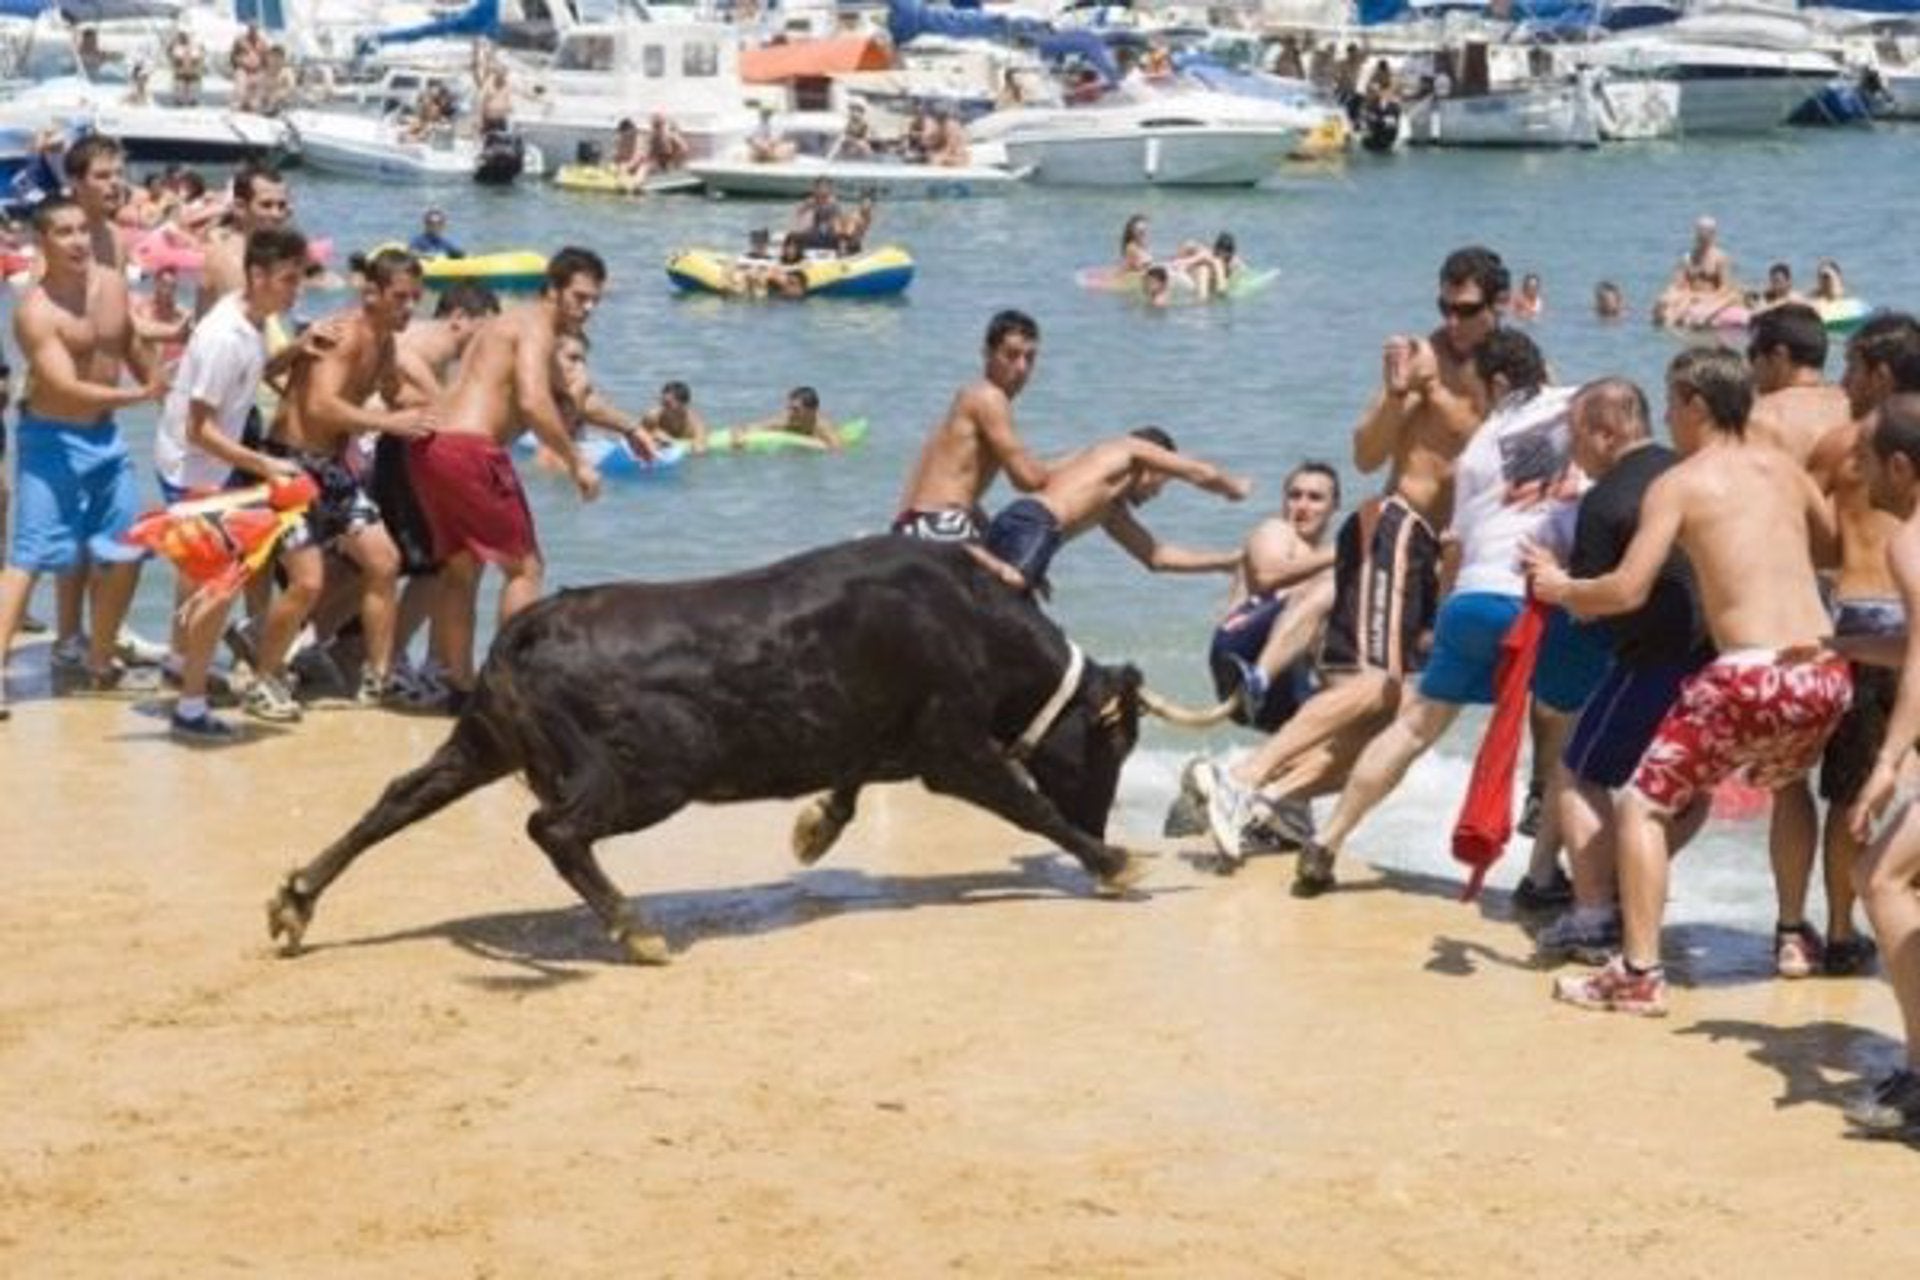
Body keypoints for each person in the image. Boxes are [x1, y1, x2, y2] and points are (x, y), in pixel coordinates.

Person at [1217, 330, 1604, 893]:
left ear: (1497, 384)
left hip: (1471, 596)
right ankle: (1543, 873)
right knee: (1565, 734)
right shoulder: (1582, 405)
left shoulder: (1476, 450)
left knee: (1414, 727)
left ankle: (1328, 841)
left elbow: (1457, 543)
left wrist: (1441, 615)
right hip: (1537, 599)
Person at [1529, 347, 1850, 1017]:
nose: (1668, 417)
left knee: (1643, 807)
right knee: (1789, 786)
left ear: (1698, 405)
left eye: (1673, 405)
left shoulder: (1679, 482)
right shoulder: (1786, 471)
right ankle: (1793, 936)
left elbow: (1624, 590)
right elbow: (1834, 550)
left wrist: (1561, 586)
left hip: (1748, 674)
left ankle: (1639, 973)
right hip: (1821, 669)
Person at [1200, 247, 1509, 851]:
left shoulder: (1517, 371)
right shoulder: (1421, 358)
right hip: (1396, 528)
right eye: (1443, 306)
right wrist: (1397, 398)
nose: (1450, 321)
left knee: (1396, 713)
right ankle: (1241, 776)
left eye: (1464, 309)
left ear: (1498, 306)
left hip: (1449, 564)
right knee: (1373, 685)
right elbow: (1366, 456)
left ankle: (1276, 799)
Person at [1533, 379, 1714, 964]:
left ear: (1605, 432)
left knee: (1579, 772)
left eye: (1575, 434)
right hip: (1715, 657)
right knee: (1681, 794)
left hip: (1651, 659)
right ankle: (1634, 885)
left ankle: (1593, 916)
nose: (1570, 448)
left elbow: (1592, 609)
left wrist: (1554, 581)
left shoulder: (1606, 499)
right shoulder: (1689, 470)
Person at [405, 247, 605, 699]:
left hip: (431, 449)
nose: (588, 308)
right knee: (525, 569)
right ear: (551, 290)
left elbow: (573, 400)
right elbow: (536, 402)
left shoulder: (509, 324)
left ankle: (459, 686)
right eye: (579, 297)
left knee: (462, 570)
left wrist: (631, 428)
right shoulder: (535, 325)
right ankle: (509, 689)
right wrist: (576, 462)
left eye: (595, 301)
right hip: (471, 451)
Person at [244, 248, 430, 723]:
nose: (410, 308)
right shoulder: (342, 335)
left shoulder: (385, 341)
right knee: (308, 582)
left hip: (333, 470)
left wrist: (443, 409)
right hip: (290, 466)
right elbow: (324, 407)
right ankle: (263, 679)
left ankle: (379, 676)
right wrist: (390, 422)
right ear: (372, 293)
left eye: (416, 298)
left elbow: (391, 391)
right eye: (401, 298)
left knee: (384, 561)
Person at [1787, 312, 1920, 977]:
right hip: (1897, 627)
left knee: (1849, 791)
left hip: (1867, 615)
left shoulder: (1851, 441)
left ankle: (1840, 933)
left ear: (1882, 373)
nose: (1843, 381)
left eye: (1853, 368)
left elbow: (1807, 532)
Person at [0, 199, 167, 720]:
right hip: (50, 441)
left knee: (126, 550)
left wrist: (163, 389)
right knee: (28, 558)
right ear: (42, 241)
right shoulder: (35, 311)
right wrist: (138, 399)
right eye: (63, 232)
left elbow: (129, 345)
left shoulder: (114, 284)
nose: (76, 240)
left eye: (81, 230)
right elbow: (65, 385)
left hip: (105, 440)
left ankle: (99, 659)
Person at [151, 227, 314, 738]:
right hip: (191, 472)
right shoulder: (225, 334)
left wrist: (297, 351)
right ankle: (191, 707)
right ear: (258, 276)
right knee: (219, 593)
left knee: (209, 587)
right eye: (287, 280)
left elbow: (247, 378)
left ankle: (183, 669)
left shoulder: (252, 320)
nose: (296, 291)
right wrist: (264, 467)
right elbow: (200, 427)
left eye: (300, 279)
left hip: (207, 468)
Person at [1839, 392, 1920, 1139]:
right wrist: (1846, 648)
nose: (1855, 476)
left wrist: (1888, 761)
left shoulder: (1910, 540)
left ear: (1903, 465)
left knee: (1882, 877)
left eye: (1866, 461)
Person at [377, 281, 501, 704]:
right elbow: (401, 352)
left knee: (428, 565)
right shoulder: (429, 343)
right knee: (433, 567)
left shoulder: (440, 351)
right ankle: (394, 659)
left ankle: (417, 659)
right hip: (394, 450)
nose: (484, 342)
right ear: (459, 319)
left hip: (395, 450)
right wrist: (439, 398)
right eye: (481, 330)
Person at [983, 427, 1248, 596]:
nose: (1156, 494)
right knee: (1014, 590)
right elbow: (1200, 472)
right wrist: (1234, 487)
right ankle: (968, 549)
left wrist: (1226, 562)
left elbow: (1157, 557)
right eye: (1163, 481)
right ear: (1154, 462)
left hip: (1022, 524)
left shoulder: (1108, 506)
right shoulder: (1126, 450)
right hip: (1036, 524)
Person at [893, 309, 1050, 544]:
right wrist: (1084, 463)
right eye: (1012, 355)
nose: (1022, 368)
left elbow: (949, 484)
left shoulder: (965, 400)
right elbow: (1027, 480)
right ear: (987, 353)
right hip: (940, 525)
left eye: (1030, 358)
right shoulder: (990, 397)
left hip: (910, 524)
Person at [1208, 461, 1342, 735]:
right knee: (1328, 587)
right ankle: (1258, 681)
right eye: (1295, 495)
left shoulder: (1327, 559)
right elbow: (1268, 576)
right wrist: (1338, 555)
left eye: (1315, 498)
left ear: (1334, 506)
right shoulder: (1276, 531)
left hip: (1287, 680)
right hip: (1240, 652)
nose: (1302, 505)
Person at [1746, 303, 1850, 467]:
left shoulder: (1759, 417)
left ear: (1778, 355)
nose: (1751, 366)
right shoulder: (1857, 409)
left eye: (1753, 354)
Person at [200, 163, 293, 312]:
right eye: (266, 205)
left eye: (282, 206)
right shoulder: (230, 260)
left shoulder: (272, 250)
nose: (277, 214)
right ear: (240, 208)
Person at [1654, 216, 1741, 328]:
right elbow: (1678, 284)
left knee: (1729, 297)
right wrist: (1668, 297)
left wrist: (1703, 297)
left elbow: (1725, 288)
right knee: (1664, 301)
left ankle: (1692, 319)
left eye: (1707, 232)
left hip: (1712, 296)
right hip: (1690, 296)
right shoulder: (1687, 258)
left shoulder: (1720, 258)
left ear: (1713, 234)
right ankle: (1670, 322)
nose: (1703, 235)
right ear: (1696, 234)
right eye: (1700, 232)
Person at [722, 385, 841, 451]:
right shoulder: (786, 420)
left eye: (795, 409)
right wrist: (737, 436)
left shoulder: (823, 427)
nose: (790, 412)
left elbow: (838, 452)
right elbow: (745, 427)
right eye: (789, 408)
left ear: (812, 411)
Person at [639, 381, 709, 453]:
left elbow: (700, 449)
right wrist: (652, 438)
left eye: (667, 403)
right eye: (662, 402)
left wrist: (671, 442)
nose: (663, 407)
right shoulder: (653, 417)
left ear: (683, 404)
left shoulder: (694, 422)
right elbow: (637, 436)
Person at [791, 178, 842, 253]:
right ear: (816, 190)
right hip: (812, 234)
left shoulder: (834, 204)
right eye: (820, 188)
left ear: (830, 190)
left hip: (829, 235)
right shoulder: (809, 203)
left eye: (826, 188)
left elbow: (838, 222)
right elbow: (797, 216)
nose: (823, 191)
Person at [168, 24, 205, 107]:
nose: (185, 37)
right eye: (183, 35)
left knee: (192, 84)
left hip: (192, 68)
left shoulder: (195, 44)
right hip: (181, 68)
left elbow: (199, 56)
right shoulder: (176, 45)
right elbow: (174, 56)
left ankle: (192, 99)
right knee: (181, 83)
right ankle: (180, 99)